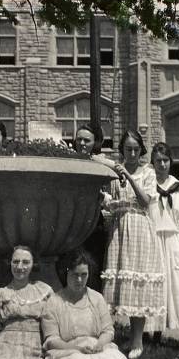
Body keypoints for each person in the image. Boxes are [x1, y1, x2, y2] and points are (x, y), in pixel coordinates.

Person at [93, 129, 165, 359]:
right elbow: (109, 199)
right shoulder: (116, 172)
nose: (132, 153)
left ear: (141, 150)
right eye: (127, 149)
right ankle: (109, 338)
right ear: (122, 150)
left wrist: (131, 178)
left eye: (135, 149)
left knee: (138, 286)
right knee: (118, 285)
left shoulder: (149, 172)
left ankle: (137, 342)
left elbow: (145, 202)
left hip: (141, 228)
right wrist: (109, 203)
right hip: (120, 227)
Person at [41, 250, 147, 359]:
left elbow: (108, 331)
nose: (79, 280)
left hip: (95, 346)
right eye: (75, 275)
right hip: (66, 351)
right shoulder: (54, 302)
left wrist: (99, 345)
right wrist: (76, 347)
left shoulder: (96, 298)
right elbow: (51, 340)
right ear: (66, 273)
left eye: (84, 275)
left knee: (115, 357)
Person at [149, 142, 179, 332]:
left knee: (172, 284)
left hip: (172, 239)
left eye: (165, 160)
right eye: (158, 161)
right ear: (152, 162)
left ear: (170, 162)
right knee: (154, 283)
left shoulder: (177, 187)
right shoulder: (148, 184)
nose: (162, 165)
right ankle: (150, 328)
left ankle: (168, 325)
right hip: (153, 238)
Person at [73, 123, 108, 292]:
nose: (82, 143)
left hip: (94, 222)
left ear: (95, 143)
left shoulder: (101, 164)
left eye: (87, 140)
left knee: (93, 267)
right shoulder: (68, 161)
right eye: (79, 139)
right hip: (72, 221)